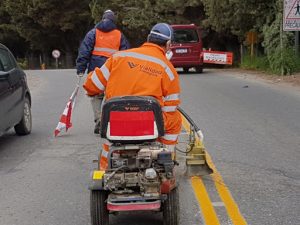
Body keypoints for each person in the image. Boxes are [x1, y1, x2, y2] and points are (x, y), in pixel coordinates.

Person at [83, 23, 182, 169]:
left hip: (116, 121)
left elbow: (92, 86)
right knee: (175, 120)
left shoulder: (118, 57)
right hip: (148, 123)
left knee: (107, 126)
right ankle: (165, 162)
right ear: (168, 44)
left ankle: (105, 167)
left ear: (148, 39)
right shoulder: (168, 69)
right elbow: (170, 107)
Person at [76, 9, 130, 134]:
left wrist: (80, 69)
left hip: (96, 70)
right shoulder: (119, 35)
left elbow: (84, 51)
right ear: (113, 21)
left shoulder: (93, 33)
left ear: (102, 19)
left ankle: (99, 119)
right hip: (113, 71)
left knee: (95, 95)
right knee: (111, 95)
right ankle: (108, 120)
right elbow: (126, 54)